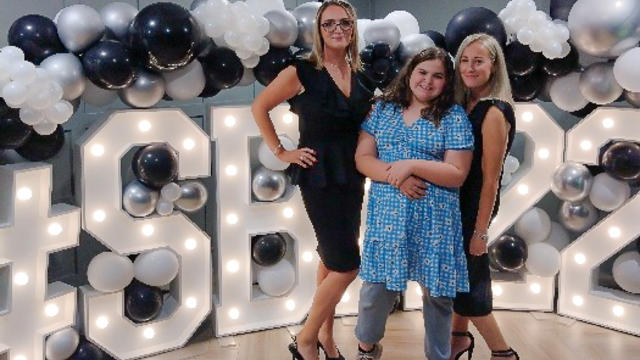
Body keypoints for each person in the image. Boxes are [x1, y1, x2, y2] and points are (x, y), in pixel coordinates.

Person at [250, 1, 373, 360]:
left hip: (351, 177)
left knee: (332, 261)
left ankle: (326, 338)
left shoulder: (361, 74)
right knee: (348, 265)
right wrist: (281, 152)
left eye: (344, 23)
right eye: (329, 23)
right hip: (319, 176)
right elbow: (260, 107)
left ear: (353, 29)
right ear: (319, 31)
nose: (337, 29)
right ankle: (305, 339)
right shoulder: (302, 71)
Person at [353, 47, 474, 360]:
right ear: (410, 73)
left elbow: (457, 173)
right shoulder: (382, 110)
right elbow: (363, 158)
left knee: (437, 296)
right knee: (375, 290)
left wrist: (412, 165)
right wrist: (398, 177)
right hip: (387, 218)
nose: (428, 81)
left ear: (447, 83)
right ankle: (367, 347)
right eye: (422, 72)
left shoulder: (453, 116)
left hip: (436, 220)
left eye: (437, 76)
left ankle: (439, 356)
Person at [449, 33, 519, 360]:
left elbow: (491, 180)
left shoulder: (493, 112)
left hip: (473, 207)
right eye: (464, 60)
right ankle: (457, 340)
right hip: (456, 203)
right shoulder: (466, 105)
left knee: (471, 283)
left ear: (494, 65)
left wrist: (480, 232)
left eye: (478, 60)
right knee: (459, 278)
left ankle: (503, 352)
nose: (470, 67)